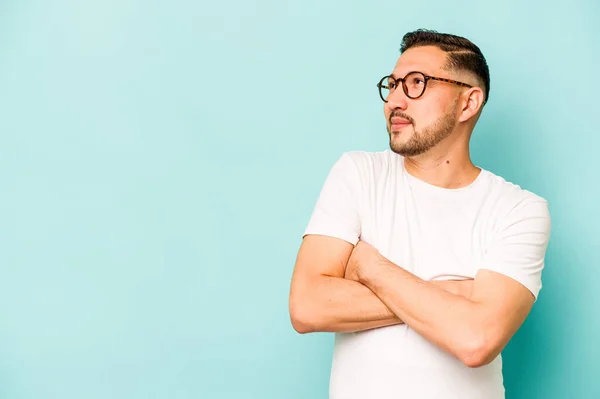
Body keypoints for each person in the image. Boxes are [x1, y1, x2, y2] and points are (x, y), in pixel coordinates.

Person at [288, 29, 551, 399]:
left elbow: (476, 339)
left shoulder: (518, 210)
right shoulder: (358, 174)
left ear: (468, 103)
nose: (395, 100)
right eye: (392, 85)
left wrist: (368, 267)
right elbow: (308, 305)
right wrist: (451, 298)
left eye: (416, 83)